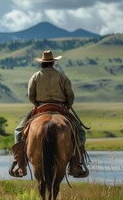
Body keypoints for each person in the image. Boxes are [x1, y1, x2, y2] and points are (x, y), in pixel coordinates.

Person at [9, 50, 89, 178]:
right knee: (80, 132)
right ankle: (75, 165)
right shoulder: (62, 76)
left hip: (40, 107)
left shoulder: (35, 76)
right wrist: (68, 105)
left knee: (18, 131)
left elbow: (31, 95)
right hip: (60, 107)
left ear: (42, 63)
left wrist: (36, 104)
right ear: (53, 62)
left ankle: (21, 165)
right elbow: (70, 95)